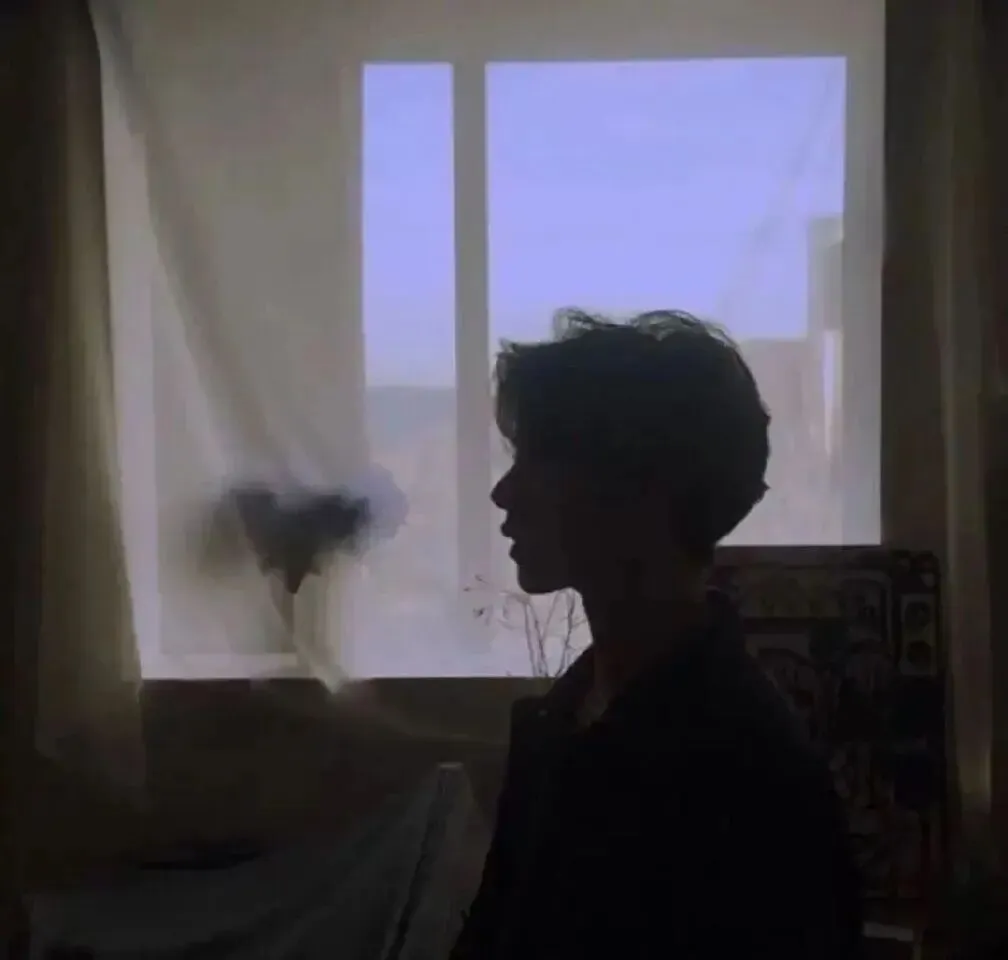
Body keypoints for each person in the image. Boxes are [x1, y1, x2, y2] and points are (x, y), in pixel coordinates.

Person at [450, 310, 863, 960]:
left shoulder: (748, 773)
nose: (504, 493)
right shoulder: (564, 721)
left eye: (540, 460)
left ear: (641, 490)